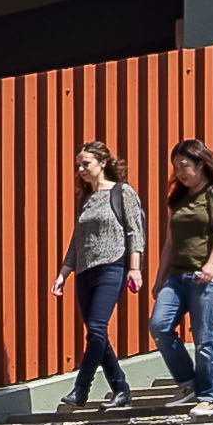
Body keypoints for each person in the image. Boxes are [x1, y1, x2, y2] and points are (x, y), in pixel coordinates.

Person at [154, 140, 213, 412]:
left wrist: (210, 265)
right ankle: (187, 382)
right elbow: (169, 243)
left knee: (204, 334)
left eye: (185, 166)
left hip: (210, 276)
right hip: (177, 276)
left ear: (201, 164)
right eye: (176, 168)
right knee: (159, 325)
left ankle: (208, 398)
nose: (180, 173)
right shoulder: (177, 198)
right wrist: (159, 278)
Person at [63, 141, 144, 410]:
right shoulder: (86, 199)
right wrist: (64, 273)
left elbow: (135, 231)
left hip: (113, 266)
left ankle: (81, 388)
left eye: (86, 163)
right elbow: (77, 239)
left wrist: (135, 268)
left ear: (103, 163)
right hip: (85, 272)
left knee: (97, 328)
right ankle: (120, 389)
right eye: (79, 164)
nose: (80, 169)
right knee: (97, 334)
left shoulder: (122, 192)